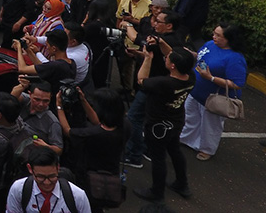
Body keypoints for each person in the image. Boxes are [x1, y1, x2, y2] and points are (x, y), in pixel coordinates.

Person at [133, 47, 196, 202]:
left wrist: (147, 58)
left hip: (157, 126)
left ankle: (157, 192)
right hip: (176, 121)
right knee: (175, 150)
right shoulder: (191, 77)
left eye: (168, 57)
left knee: (158, 158)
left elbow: (141, 80)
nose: (166, 58)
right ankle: (182, 184)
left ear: (173, 65)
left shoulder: (163, 83)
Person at [180, 24, 247, 161]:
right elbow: (201, 57)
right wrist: (192, 55)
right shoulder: (210, 44)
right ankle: (187, 139)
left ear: (229, 39)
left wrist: (211, 78)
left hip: (214, 97)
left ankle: (207, 148)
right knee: (190, 117)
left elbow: (236, 84)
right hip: (196, 91)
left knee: (210, 125)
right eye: (214, 33)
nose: (213, 37)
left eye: (218, 35)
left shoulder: (235, 58)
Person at [56, 87, 126, 211]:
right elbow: (97, 121)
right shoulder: (124, 128)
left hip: (89, 180)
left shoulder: (92, 134)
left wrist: (59, 106)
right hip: (111, 176)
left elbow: (68, 131)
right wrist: (83, 101)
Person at [5, 146, 90, 213]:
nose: (47, 182)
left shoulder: (77, 196)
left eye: (52, 176)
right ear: (30, 169)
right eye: (41, 177)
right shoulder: (19, 189)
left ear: (58, 168)